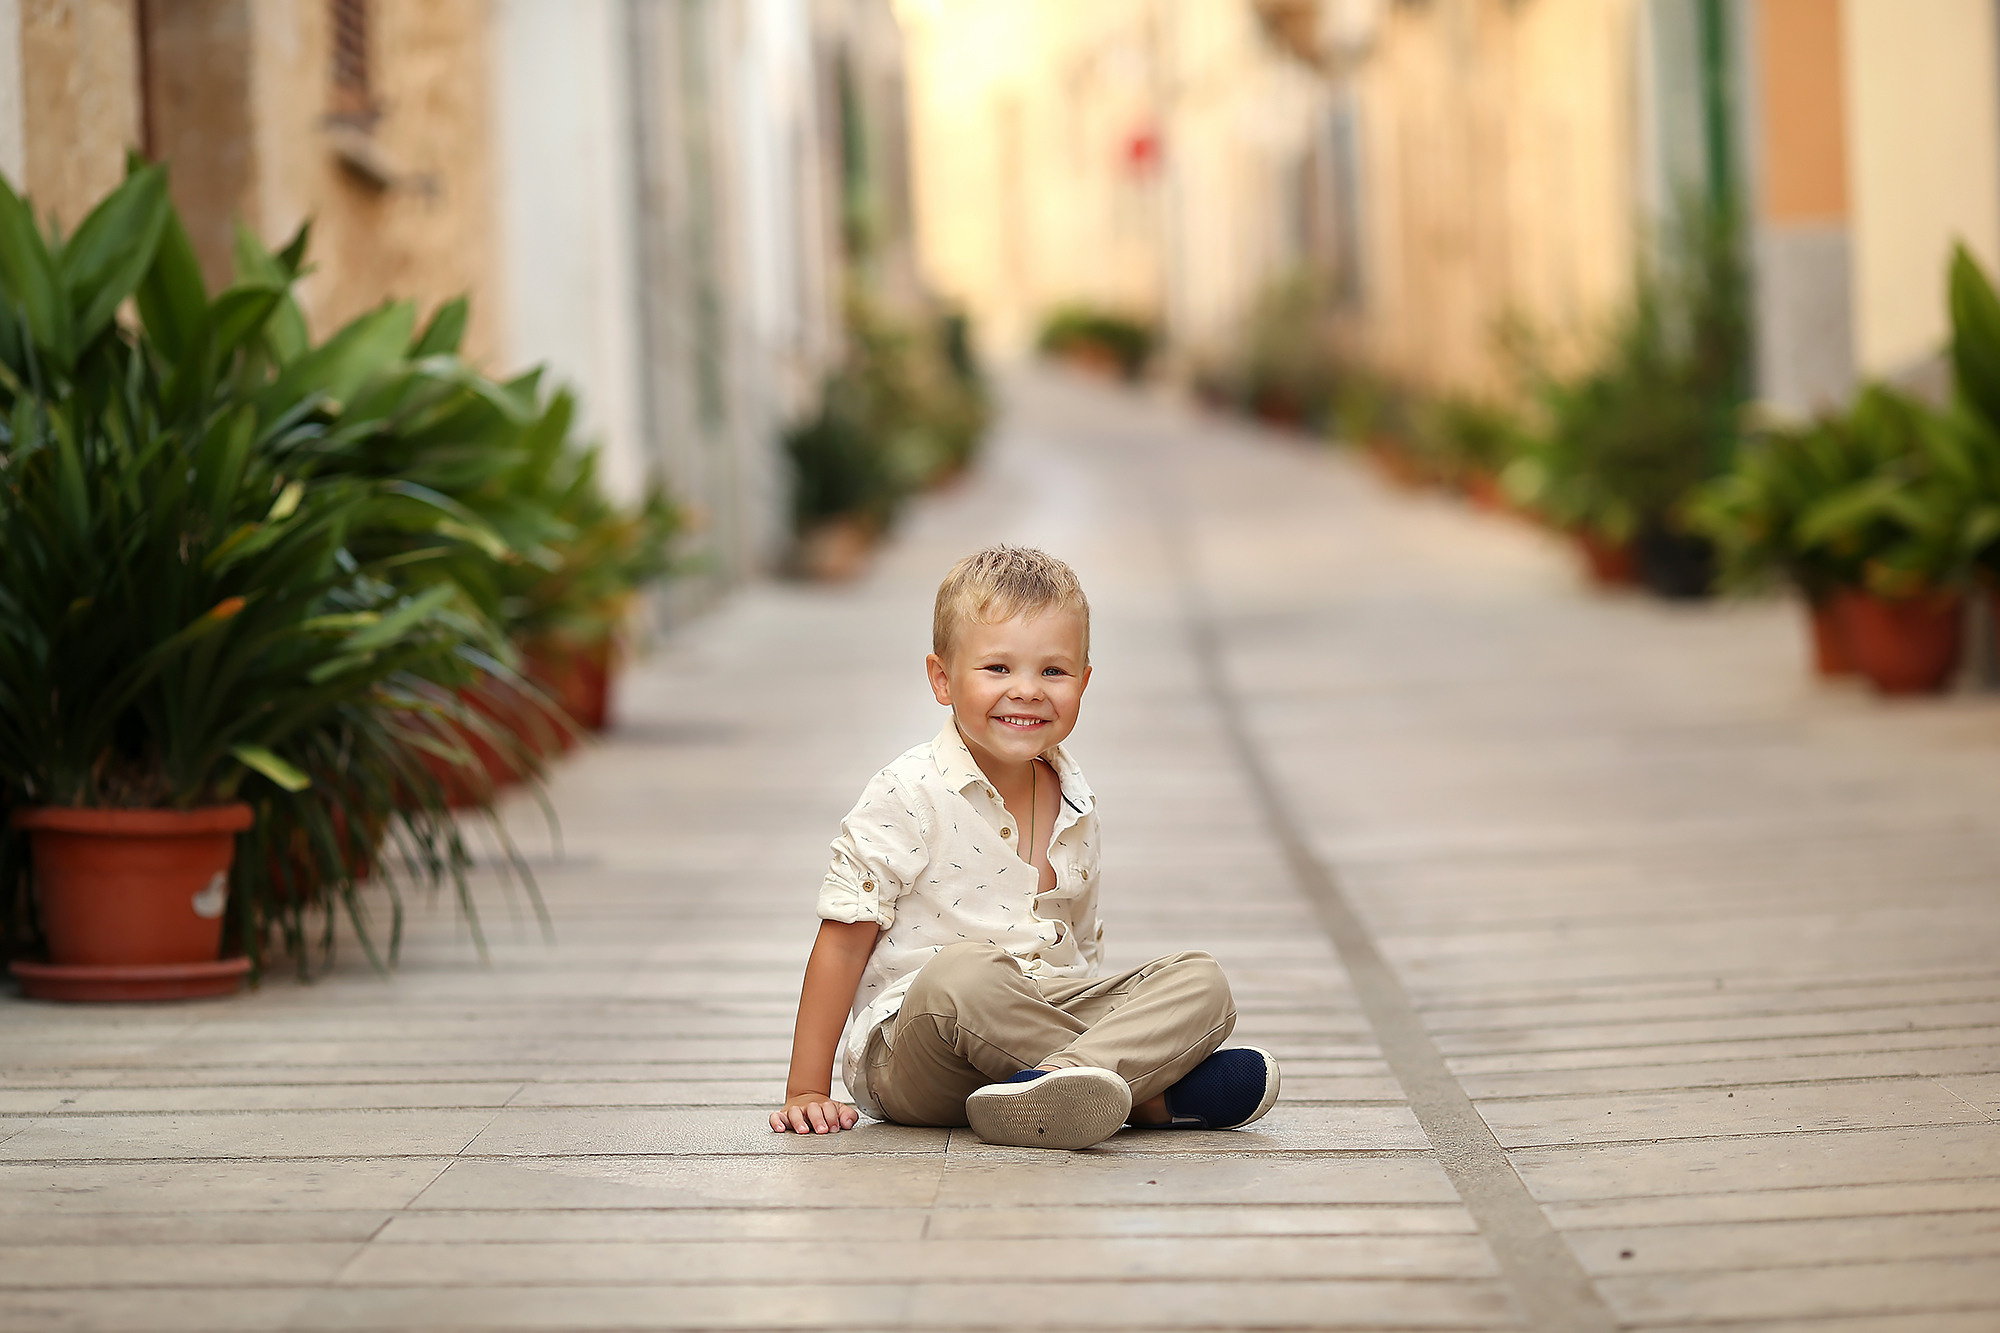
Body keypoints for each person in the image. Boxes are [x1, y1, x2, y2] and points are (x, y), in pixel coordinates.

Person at [770, 544, 1279, 1149]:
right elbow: (843, 941)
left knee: (1202, 979)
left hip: (1036, 1021)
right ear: (941, 678)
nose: (1028, 691)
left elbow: (1080, 950)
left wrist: (1105, 1017)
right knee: (966, 969)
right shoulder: (908, 791)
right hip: (916, 1047)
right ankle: (1142, 1094)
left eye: (1054, 672)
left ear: (1084, 683)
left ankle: (1058, 1084)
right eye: (998, 669)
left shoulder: (1075, 799)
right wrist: (807, 1087)